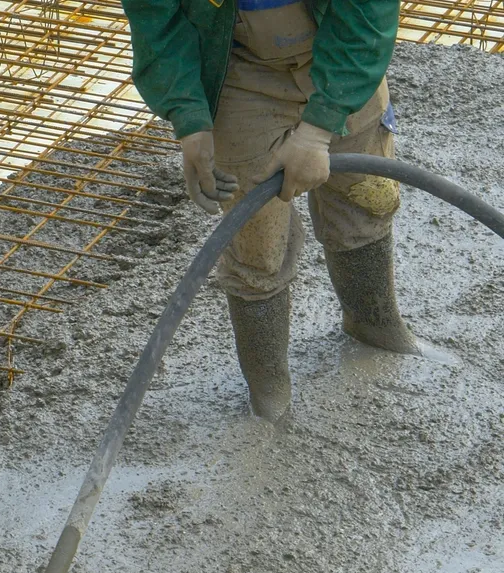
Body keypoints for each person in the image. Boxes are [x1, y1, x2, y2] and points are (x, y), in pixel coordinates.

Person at [121, 0, 415, 421]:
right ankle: (268, 384)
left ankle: (374, 322)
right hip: (242, 68)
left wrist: (318, 130)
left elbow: (368, 14)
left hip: (341, 44)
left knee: (365, 197)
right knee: (256, 243)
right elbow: (157, 20)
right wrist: (189, 119)